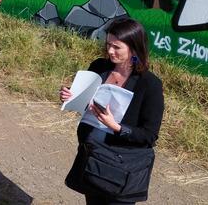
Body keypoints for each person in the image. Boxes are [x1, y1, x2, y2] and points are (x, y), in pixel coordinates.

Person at [61, 18, 164, 205]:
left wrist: (117, 127)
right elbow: (87, 104)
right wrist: (72, 96)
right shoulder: (99, 67)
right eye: (108, 44)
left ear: (134, 48)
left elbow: (149, 135)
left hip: (120, 166)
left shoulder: (149, 84)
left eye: (117, 47)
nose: (110, 51)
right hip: (91, 155)